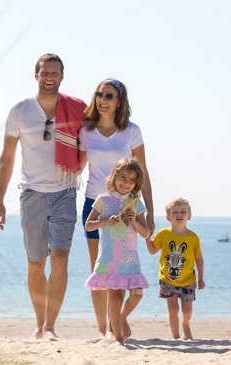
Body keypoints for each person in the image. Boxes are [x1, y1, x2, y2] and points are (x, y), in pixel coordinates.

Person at [0, 53, 86, 339]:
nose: (50, 77)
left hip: (65, 191)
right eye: (45, 72)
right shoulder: (20, 111)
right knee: (36, 263)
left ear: (62, 76)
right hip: (31, 194)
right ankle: (38, 322)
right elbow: (7, 158)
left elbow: (96, 140)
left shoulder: (77, 109)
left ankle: (50, 327)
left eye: (55, 72)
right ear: (36, 75)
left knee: (60, 258)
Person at [78, 78, 154, 337]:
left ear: (120, 101)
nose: (103, 99)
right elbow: (76, 165)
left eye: (109, 96)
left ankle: (117, 321)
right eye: (99, 94)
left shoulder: (132, 131)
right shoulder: (86, 130)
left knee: (121, 268)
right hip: (95, 203)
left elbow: (143, 173)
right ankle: (104, 330)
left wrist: (150, 212)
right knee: (99, 269)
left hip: (127, 206)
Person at [85, 157, 150, 345]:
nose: (126, 183)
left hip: (130, 258)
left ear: (136, 184)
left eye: (131, 180)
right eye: (123, 177)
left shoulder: (136, 203)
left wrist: (135, 221)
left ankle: (121, 318)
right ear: (114, 177)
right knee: (114, 296)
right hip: (109, 256)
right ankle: (119, 339)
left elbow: (145, 233)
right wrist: (106, 220)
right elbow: (88, 226)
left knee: (137, 293)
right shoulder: (102, 200)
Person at [145, 198, 206, 340]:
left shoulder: (193, 237)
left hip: (188, 280)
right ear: (168, 217)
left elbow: (199, 259)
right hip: (167, 280)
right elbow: (153, 250)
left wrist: (201, 279)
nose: (179, 214)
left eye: (183, 211)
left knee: (187, 310)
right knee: (173, 309)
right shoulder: (163, 234)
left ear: (189, 216)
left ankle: (185, 324)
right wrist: (147, 237)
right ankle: (176, 338)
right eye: (175, 212)